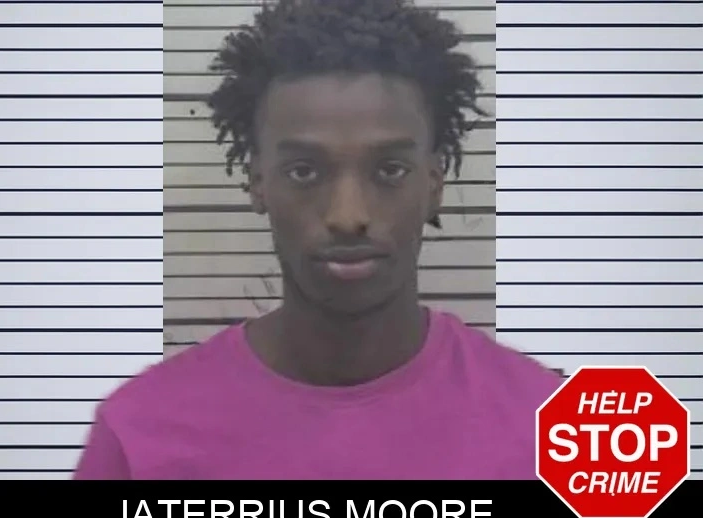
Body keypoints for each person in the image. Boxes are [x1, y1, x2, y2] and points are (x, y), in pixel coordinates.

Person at [74, 0, 562, 480]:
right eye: (304, 171)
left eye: (390, 170)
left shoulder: (549, 428)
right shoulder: (139, 437)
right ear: (258, 183)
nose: (348, 216)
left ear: (433, 184)